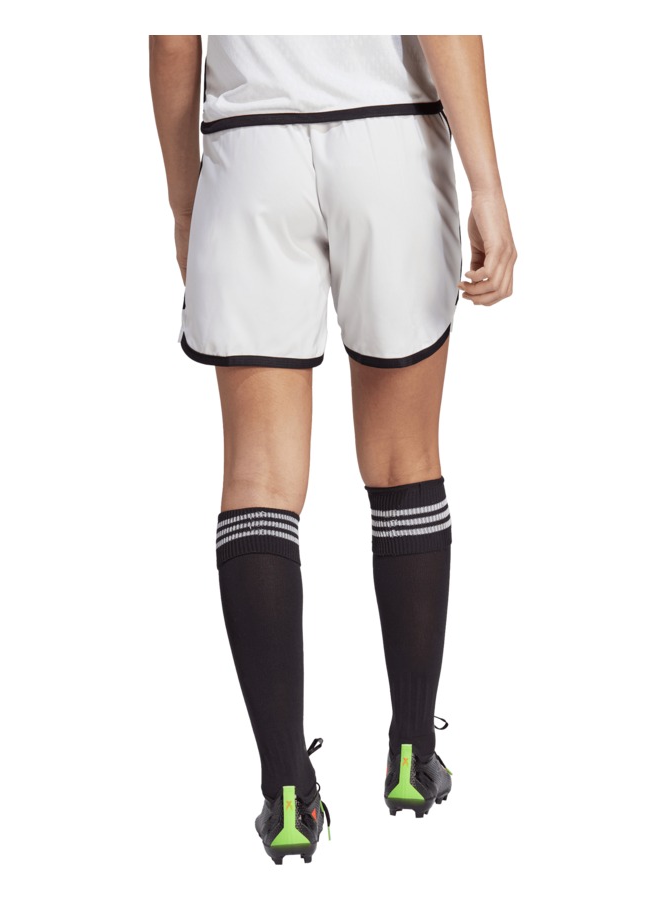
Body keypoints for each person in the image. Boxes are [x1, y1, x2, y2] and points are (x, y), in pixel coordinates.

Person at [149, 34, 517, 865]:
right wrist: (488, 186)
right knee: (402, 459)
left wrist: (185, 203)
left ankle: (285, 787)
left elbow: (172, 35)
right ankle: (411, 754)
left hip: (249, 149)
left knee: (258, 476)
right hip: (389, 137)